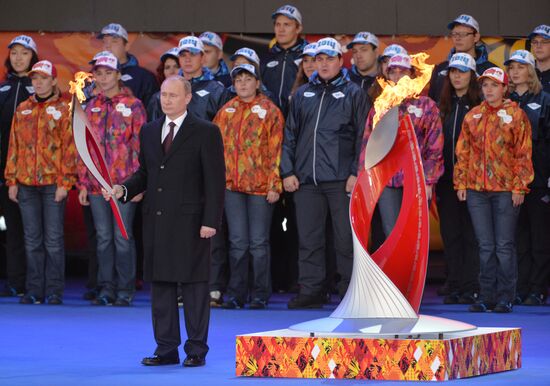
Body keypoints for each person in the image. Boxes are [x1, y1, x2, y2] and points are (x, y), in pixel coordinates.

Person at [106, 75, 225, 367]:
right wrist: (124, 189)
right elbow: (146, 173)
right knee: (161, 288)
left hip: (192, 222)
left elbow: (215, 181)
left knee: (195, 288)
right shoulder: (149, 130)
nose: (167, 100)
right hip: (157, 220)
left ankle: (196, 350)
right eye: (163, 94)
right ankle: (166, 348)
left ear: (187, 98)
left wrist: (211, 220)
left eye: (173, 95)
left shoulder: (206, 131)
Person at [280, 38, 369, 308]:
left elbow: (364, 137)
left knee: (345, 241)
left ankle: (350, 293)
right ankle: (311, 291)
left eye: (330, 58)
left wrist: (356, 172)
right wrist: (287, 171)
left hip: (342, 180)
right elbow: (289, 136)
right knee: (309, 240)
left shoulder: (354, 93)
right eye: (319, 59)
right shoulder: (302, 94)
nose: (324, 63)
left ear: (341, 61)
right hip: (306, 180)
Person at [454, 67, 534, 313]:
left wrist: (520, 186)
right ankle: (485, 296)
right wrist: (461, 182)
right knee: (485, 245)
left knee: (504, 245)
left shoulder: (516, 115)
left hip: (506, 190)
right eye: (485, 85)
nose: (488, 90)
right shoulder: (473, 116)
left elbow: (523, 153)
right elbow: (463, 153)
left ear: (504, 88)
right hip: (476, 190)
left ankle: (505, 297)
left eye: (494, 85)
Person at [5, 60, 77, 305]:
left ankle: (54, 290)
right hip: (25, 183)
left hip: (52, 184)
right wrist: (11, 179)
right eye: (35, 78)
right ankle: (34, 289)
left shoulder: (65, 108)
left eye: (44, 78)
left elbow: (70, 148)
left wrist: (64, 182)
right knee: (32, 239)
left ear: (54, 81)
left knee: (54, 240)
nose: (39, 82)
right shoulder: (23, 109)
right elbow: (13, 146)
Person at [213, 64, 284, 310]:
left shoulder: (270, 111)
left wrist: (275, 184)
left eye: (247, 79)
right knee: (237, 242)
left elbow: (276, 150)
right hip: (231, 186)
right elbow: (214, 149)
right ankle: (236, 293)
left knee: (258, 242)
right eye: (238, 79)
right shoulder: (225, 111)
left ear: (257, 82)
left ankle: (261, 294)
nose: (242, 83)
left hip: (261, 187)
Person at [77, 52, 146, 306]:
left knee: (123, 236)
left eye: (108, 72)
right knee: (103, 237)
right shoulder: (89, 105)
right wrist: (83, 182)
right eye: (98, 73)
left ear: (118, 74)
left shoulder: (134, 104)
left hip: (123, 186)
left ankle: (125, 289)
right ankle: (106, 288)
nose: (103, 77)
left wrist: (138, 184)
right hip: (96, 186)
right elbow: (82, 147)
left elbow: (141, 147)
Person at [359, 53, 444, 238]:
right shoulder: (380, 105)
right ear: (387, 75)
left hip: (416, 180)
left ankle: (416, 269)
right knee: (392, 235)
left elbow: (435, 146)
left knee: (415, 234)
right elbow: (368, 143)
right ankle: (395, 269)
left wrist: (429, 181)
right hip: (387, 180)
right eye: (393, 72)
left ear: (412, 75)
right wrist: (365, 179)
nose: (397, 76)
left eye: (403, 71)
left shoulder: (426, 106)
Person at [435, 53, 481, 304]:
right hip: (446, 180)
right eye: (453, 71)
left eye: (462, 72)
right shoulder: (442, 104)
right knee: (451, 234)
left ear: (472, 75)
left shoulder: (479, 106)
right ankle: (455, 284)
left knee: (470, 234)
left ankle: (472, 285)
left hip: (473, 182)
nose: (457, 76)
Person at [505, 50, 550, 305]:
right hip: (510, 182)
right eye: (511, 67)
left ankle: (537, 288)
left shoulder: (545, 100)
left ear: (530, 70)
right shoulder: (505, 101)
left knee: (540, 237)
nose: (514, 72)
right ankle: (521, 287)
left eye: (520, 67)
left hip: (539, 179)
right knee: (518, 237)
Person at [0, 35, 39, 297]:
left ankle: (35, 283)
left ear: (33, 58)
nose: (18, 58)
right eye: (14, 53)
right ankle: (14, 280)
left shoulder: (40, 88)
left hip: (31, 174)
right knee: (11, 229)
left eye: (24, 53)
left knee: (33, 232)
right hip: (5, 174)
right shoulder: (2, 88)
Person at [429, 14, 496, 102]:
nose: (458, 38)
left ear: (476, 37)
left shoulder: (491, 70)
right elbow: (432, 104)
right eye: (454, 34)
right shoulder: (440, 69)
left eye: (463, 34)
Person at [98, 23, 159, 108]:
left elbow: (153, 113)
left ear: (126, 46)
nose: (108, 46)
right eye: (104, 42)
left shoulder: (144, 77)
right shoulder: (92, 76)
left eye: (114, 41)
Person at [261, 4, 307, 115]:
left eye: (286, 24)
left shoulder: (309, 56)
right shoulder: (265, 58)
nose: (281, 29)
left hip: (299, 120)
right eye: (278, 24)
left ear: (298, 28)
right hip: (270, 119)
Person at [177, 36, 229, 121]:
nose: (187, 59)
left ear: (202, 57)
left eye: (193, 54)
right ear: (178, 59)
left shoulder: (218, 91)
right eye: (183, 55)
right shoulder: (167, 90)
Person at [147, 47, 181, 121]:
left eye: (177, 66)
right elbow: (153, 127)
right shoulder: (157, 98)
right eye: (167, 67)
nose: (172, 71)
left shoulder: (194, 92)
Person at [529, 24, 550, 93]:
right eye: (535, 42)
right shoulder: (524, 71)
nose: (538, 46)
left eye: (544, 42)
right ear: (531, 45)